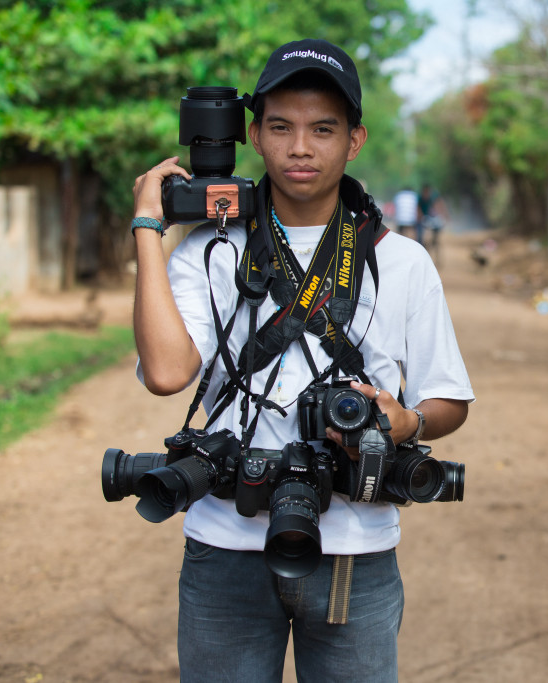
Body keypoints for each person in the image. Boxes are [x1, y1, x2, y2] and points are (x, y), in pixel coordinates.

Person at [128, 38, 474, 682]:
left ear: (355, 139)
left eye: (323, 129)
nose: (301, 147)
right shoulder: (211, 249)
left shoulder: (402, 262)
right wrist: (150, 228)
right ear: (253, 136)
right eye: (281, 127)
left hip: (354, 548)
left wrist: (406, 425)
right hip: (225, 541)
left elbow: (447, 399)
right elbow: (167, 374)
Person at [417, 182, 448, 251]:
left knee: (435, 233)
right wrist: (421, 217)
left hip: (430, 218)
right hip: (424, 219)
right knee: (421, 236)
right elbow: (418, 209)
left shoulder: (432, 197)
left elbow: (438, 206)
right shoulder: (420, 198)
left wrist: (443, 215)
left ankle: (433, 242)